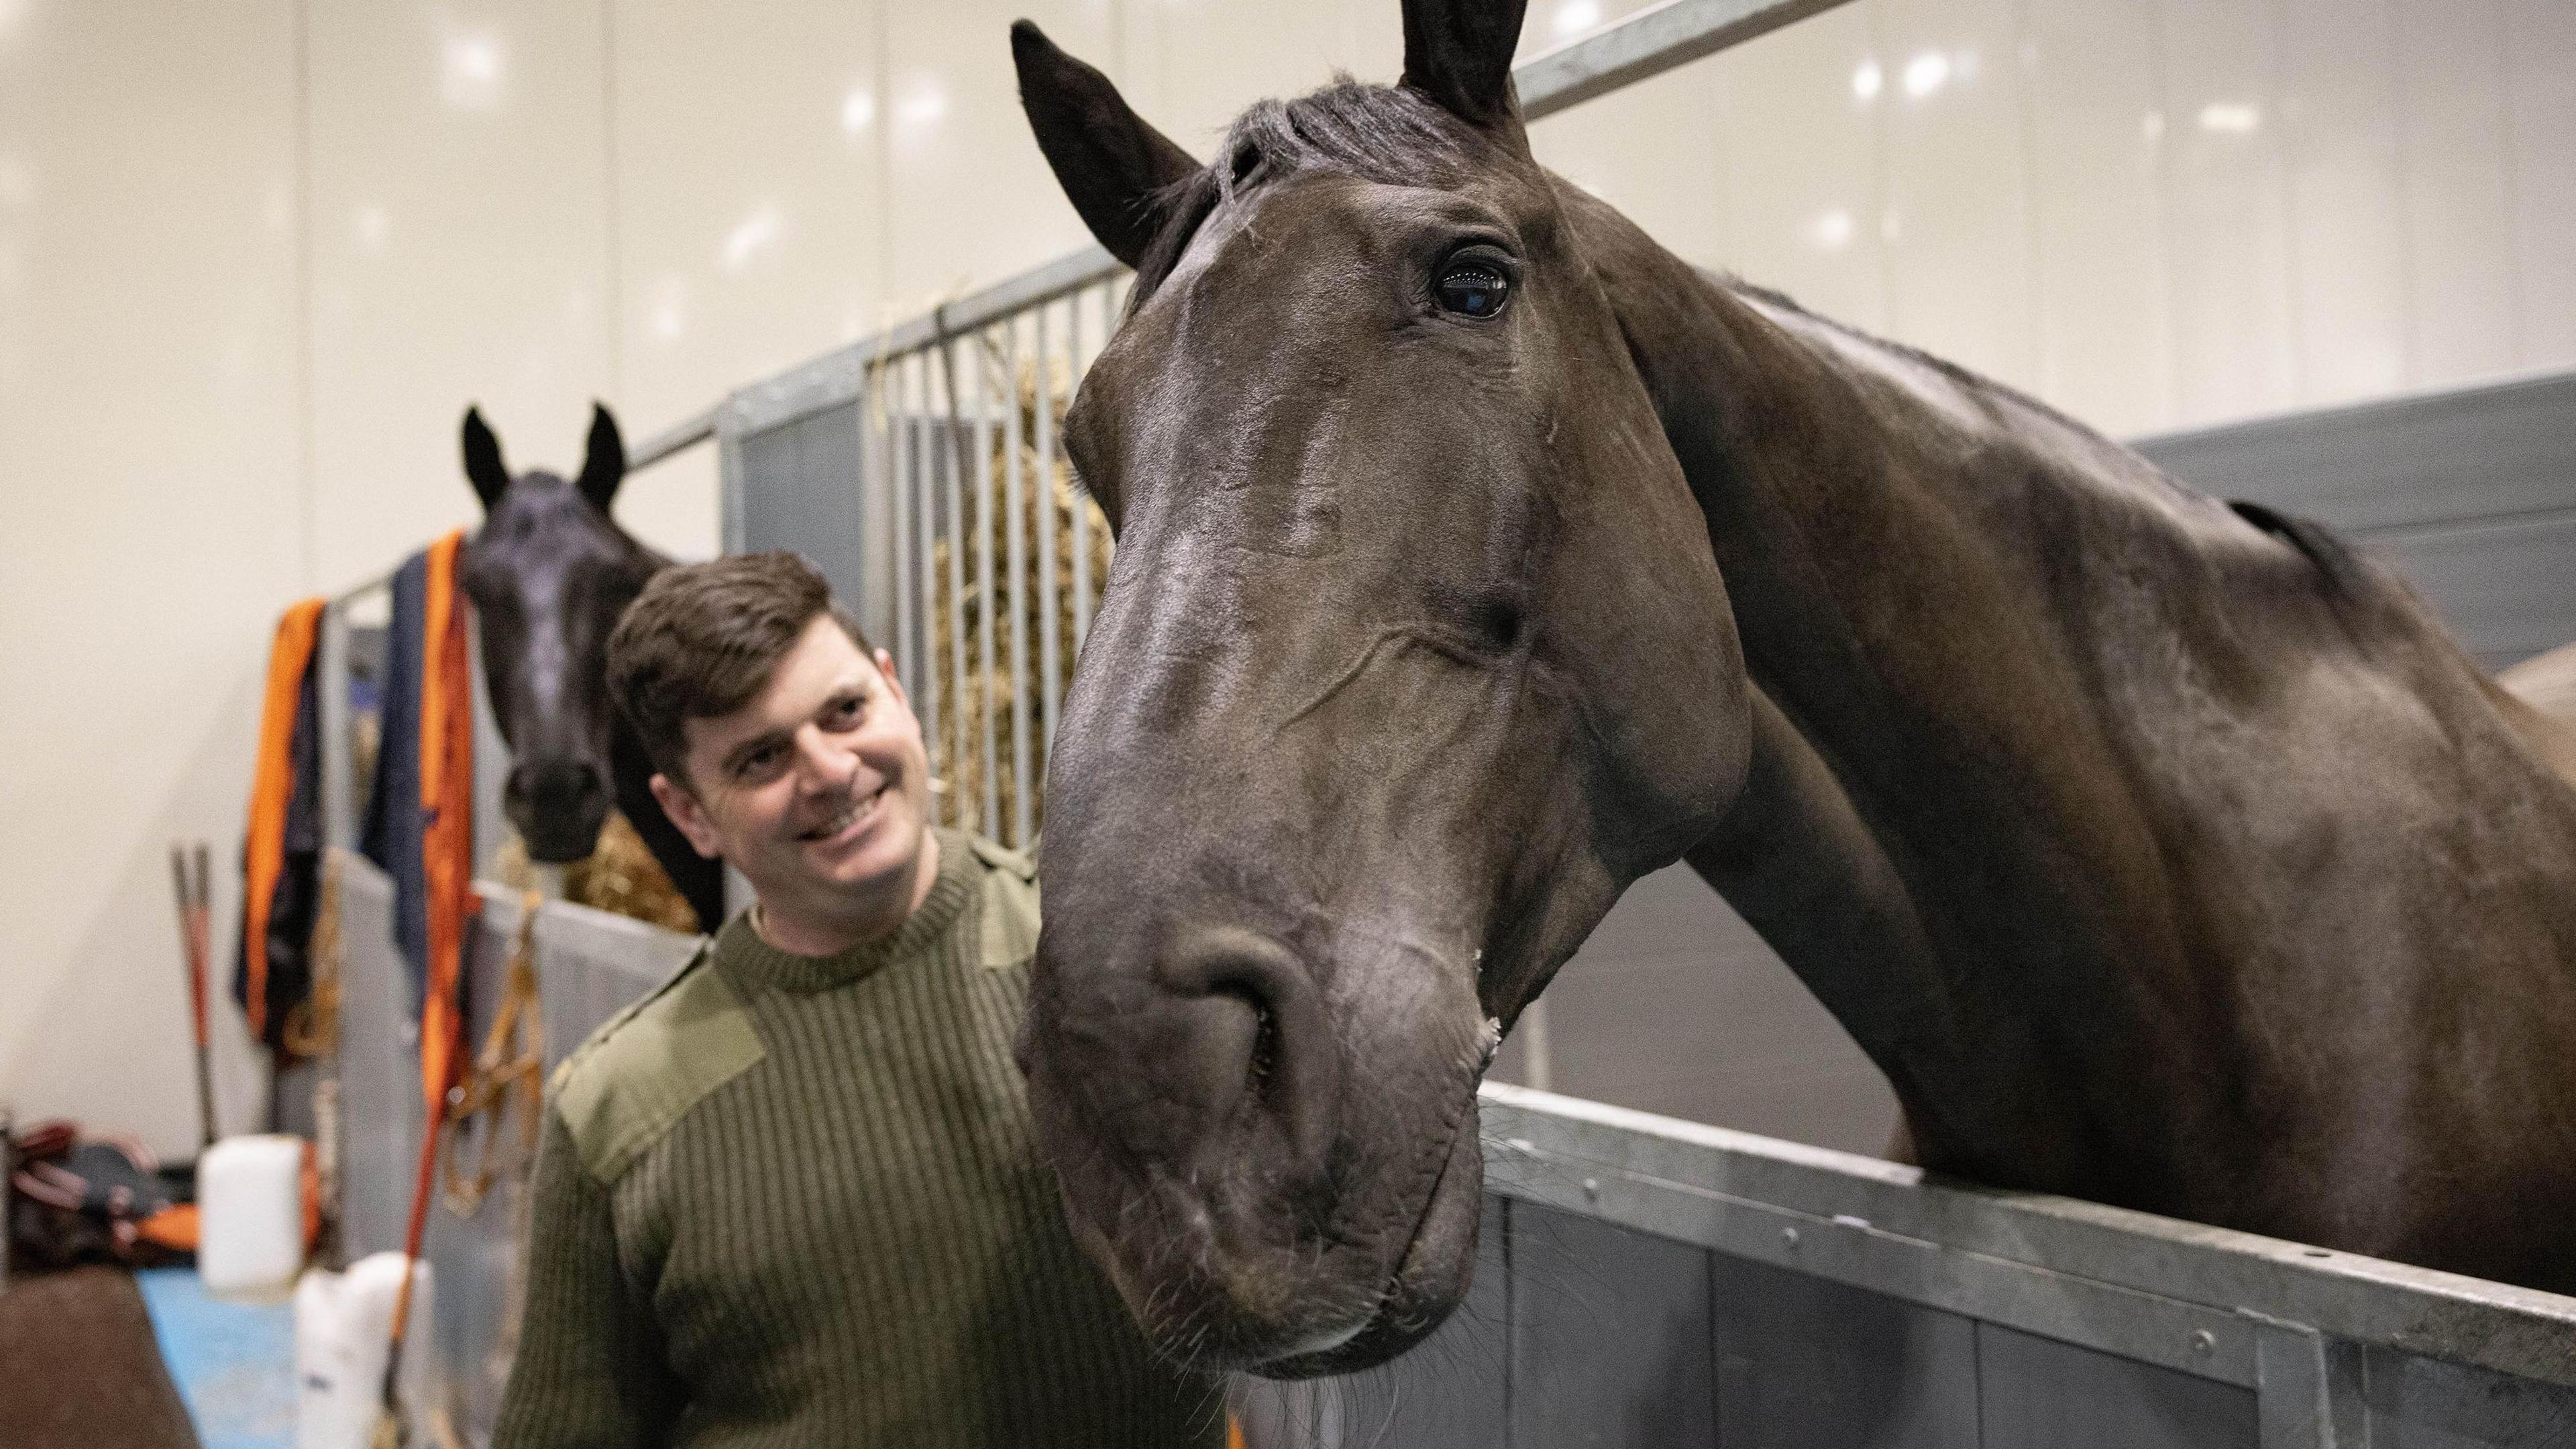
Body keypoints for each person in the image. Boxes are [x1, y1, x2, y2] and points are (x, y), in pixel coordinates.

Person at [492, 551, 1226, 1448]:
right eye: (762, 758)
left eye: (845, 712)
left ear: (895, 691)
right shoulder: (621, 1111)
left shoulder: (1107, 958)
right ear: (688, 815)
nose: (831, 771)